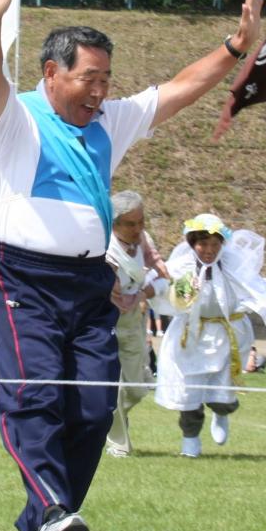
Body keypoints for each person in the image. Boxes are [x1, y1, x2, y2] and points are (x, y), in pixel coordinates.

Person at [0, 0, 264, 531]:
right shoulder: (14, 118)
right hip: (23, 281)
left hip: (89, 284)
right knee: (33, 393)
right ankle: (52, 521)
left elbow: (178, 89)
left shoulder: (110, 121)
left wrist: (236, 46)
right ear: (51, 73)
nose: (101, 89)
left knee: (95, 408)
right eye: (89, 78)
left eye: (107, 78)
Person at [153, 214, 266, 455]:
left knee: (222, 393)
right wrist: (177, 292)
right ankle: (190, 438)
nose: (208, 250)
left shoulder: (232, 264)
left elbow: (259, 291)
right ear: (192, 243)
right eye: (202, 244)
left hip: (226, 335)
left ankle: (221, 411)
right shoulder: (182, 266)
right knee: (189, 391)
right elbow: (161, 290)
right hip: (190, 335)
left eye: (214, 244)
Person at [103, 190, 168, 457]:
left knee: (137, 388)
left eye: (141, 222)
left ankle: (111, 418)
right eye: (131, 224)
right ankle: (119, 444)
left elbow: (161, 270)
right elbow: (115, 293)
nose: (138, 229)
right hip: (104, 320)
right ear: (114, 223)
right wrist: (143, 290)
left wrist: (158, 287)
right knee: (113, 388)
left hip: (135, 321)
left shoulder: (143, 239)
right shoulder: (104, 250)